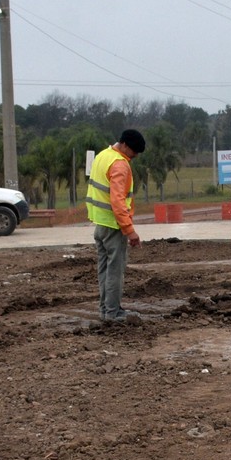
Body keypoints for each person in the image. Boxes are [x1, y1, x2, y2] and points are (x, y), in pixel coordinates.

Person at [85, 128, 145, 325]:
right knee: (115, 272)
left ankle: (105, 309)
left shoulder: (103, 155)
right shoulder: (120, 164)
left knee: (104, 271)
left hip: (100, 224)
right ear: (125, 145)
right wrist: (130, 230)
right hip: (114, 226)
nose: (134, 157)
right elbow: (118, 201)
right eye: (133, 153)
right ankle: (113, 313)